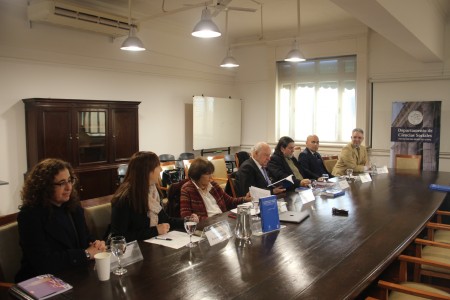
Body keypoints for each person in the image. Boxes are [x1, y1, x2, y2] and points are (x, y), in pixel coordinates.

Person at [16, 158, 106, 282]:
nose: (69, 187)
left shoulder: (73, 207)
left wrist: (96, 244)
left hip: (74, 274)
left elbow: (85, 239)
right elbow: (43, 262)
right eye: (62, 183)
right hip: (42, 282)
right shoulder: (30, 216)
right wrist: (85, 254)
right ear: (45, 187)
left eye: (70, 180)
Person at [111, 151, 190, 242]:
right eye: (157, 166)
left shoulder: (153, 191)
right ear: (147, 171)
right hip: (135, 251)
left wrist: (187, 222)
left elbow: (165, 220)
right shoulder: (124, 198)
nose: (161, 170)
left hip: (153, 243)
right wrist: (155, 231)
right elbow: (118, 237)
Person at [180, 157, 252, 221]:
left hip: (222, 221)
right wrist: (203, 219)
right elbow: (186, 216)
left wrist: (245, 199)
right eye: (208, 174)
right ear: (197, 175)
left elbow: (229, 201)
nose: (211, 177)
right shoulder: (187, 189)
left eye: (211, 173)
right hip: (205, 226)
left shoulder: (213, 185)